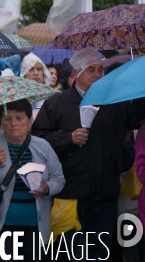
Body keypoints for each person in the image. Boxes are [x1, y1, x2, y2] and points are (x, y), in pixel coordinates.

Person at [32, 48, 142, 259]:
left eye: (101, 69)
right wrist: (68, 138)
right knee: (68, 253)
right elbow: (38, 140)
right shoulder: (57, 102)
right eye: (91, 70)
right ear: (76, 73)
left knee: (102, 253)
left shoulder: (115, 102)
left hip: (105, 194)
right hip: (70, 196)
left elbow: (137, 119)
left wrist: (136, 88)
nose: (98, 75)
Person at [0, 99, 65, 260]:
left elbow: (59, 179)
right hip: (3, 225)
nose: (13, 123)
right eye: (8, 118)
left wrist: (46, 188)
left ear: (30, 122)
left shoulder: (43, 146)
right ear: (1, 121)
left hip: (36, 224)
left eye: (19, 118)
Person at [20, 53, 52, 120]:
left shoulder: (52, 97)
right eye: (31, 70)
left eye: (39, 69)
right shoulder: (19, 98)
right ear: (24, 75)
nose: (36, 73)